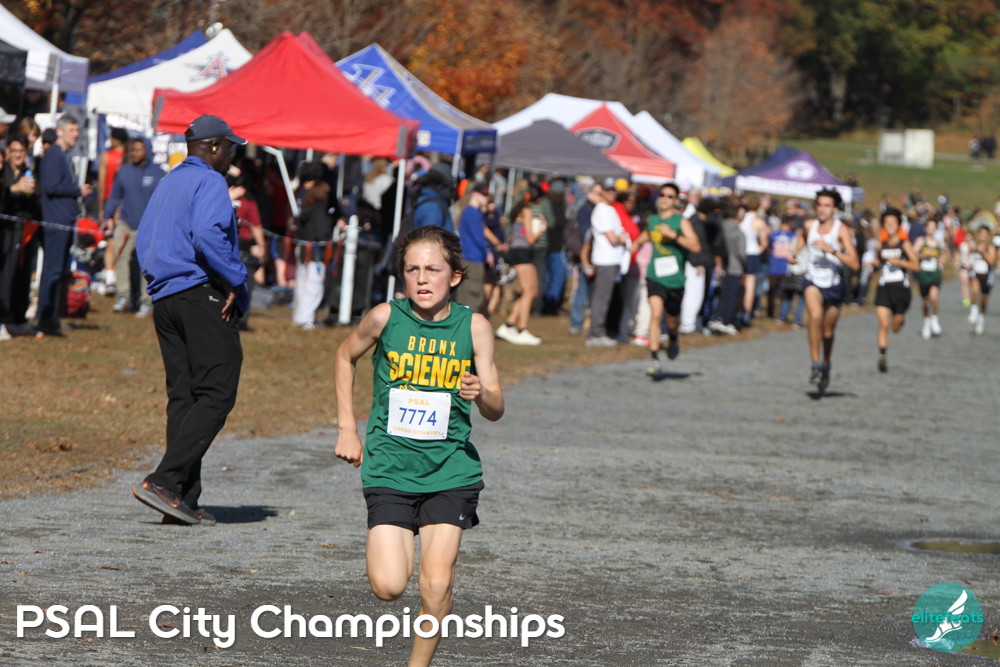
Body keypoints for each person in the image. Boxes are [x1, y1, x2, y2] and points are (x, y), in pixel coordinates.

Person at [334, 225, 504, 667]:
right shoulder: (384, 318)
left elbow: (496, 406)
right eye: (413, 270)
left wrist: (480, 393)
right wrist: (347, 429)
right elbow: (344, 356)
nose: (423, 279)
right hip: (390, 468)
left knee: (435, 584)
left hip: (450, 471)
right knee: (389, 585)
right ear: (402, 276)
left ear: (455, 276)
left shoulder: (475, 327)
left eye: (433, 269)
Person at [131, 115, 249, 525]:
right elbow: (207, 233)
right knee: (217, 390)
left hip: (165, 298)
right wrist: (235, 276)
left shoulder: (169, 181)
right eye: (230, 147)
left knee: (183, 396)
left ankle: (180, 498)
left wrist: (159, 280)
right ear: (214, 146)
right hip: (200, 293)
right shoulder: (210, 181)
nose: (232, 155)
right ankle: (164, 481)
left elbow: (143, 238)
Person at [789, 189, 859, 393]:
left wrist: (832, 250)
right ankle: (815, 364)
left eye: (827, 206)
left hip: (834, 284)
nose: (822, 209)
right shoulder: (809, 225)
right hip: (813, 280)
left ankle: (826, 363)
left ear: (835, 209)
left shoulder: (841, 230)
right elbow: (803, 238)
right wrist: (795, 253)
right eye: (819, 205)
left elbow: (854, 263)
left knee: (827, 332)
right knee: (814, 316)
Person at [36, 114, 93, 336]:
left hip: (64, 220)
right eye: (72, 130)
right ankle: (45, 317)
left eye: (77, 130)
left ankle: (51, 316)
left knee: (58, 270)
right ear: (60, 131)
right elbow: (51, 186)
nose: (76, 135)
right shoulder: (54, 155)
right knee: (52, 271)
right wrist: (77, 190)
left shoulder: (63, 154)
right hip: (55, 221)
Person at [636, 182, 701, 375]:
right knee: (656, 314)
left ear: (676, 200)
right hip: (655, 275)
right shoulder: (653, 219)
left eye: (670, 196)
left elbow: (696, 246)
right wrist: (635, 244)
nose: (665, 199)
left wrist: (674, 236)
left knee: (672, 320)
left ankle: (673, 337)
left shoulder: (681, 221)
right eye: (662, 195)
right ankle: (655, 359)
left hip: (675, 279)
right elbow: (648, 233)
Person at [103, 135, 164, 316]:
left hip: (149, 226)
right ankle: (124, 296)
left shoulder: (158, 173)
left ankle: (147, 301)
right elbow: (115, 196)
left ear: (147, 150)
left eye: (138, 149)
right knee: (120, 257)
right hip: (126, 223)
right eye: (132, 150)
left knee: (148, 265)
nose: (134, 153)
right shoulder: (123, 171)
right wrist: (107, 215)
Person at [1, 135, 41, 339]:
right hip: (6, 229)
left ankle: (18, 318)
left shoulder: (28, 172)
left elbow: (35, 203)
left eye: (21, 151)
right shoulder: (4, 171)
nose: (17, 155)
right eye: (14, 151)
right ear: (9, 151)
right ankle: (4, 319)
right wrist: (13, 189)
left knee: (22, 274)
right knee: (6, 274)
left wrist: (31, 192)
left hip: (24, 229)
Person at [496, 187, 545, 345]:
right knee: (528, 292)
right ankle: (522, 329)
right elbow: (530, 239)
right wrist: (541, 229)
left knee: (531, 292)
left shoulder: (518, 209)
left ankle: (509, 325)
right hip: (522, 252)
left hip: (519, 251)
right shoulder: (527, 211)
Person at [872, 209, 919, 372]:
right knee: (883, 324)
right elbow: (879, 261)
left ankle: (900, 318)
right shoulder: (881, 244)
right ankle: (882, 356)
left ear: (899, 225)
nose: (890, 225)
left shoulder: (904, 244)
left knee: (895, 327)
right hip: (884, 288)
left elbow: (916, 265)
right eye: (887, 223)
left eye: (893, 222)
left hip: (901, 289)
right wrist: (873, 263)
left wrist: (900, 262)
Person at [291, 161, 334, 329]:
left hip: (303, 246)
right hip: (314, 251)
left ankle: (300, 316)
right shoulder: (318, 210)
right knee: (313, 286)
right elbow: (322, 233)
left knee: (302, 284)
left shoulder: (300, 197)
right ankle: (306, 318)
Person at [586, 182, 629, 346]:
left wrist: (621, 237)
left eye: (613, 190)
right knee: (601, 297)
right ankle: (595, 333)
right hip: (605, 259)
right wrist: (622, 238)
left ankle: (601, 330)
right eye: (608, 190)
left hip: (613, 259)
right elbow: (612, 238)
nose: (612, 193)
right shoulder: (601, 210)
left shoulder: (610, 209)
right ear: (602, 192)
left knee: (608, 297)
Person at [453, 182, 493, 314]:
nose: (486, 197)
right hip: (473, 259)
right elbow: (479, 237)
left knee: (468, 298)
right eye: (484, 194)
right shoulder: (473, 212)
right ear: (474, 194)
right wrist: (487, 253)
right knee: (472, 299)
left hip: (469, 258)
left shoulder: (468, 211)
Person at [913, 218, 947, 339]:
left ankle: (934, 319)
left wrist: (942, 261)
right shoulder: (921, 241)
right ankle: (926, 322)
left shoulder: (939, 243)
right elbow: (913, 253)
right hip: (923, 274)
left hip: (935, 273)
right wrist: (922, 255)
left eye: (933, 227)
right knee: (926, 301)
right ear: (925, 228)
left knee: (934, 297)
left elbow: (946, 253)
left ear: (936, 229)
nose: (931, 229)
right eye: (929, 227)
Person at [968, 223, 997, 336]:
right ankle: (973, 310)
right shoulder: (974, 246)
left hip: (987, 275)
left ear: (988, 235)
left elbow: (992, 262)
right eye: (981, 233)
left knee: (984, 300)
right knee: (975, 291)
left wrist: (983, 252)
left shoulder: (990, 247)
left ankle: (981, 319)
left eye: (985, 234)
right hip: (976, 273)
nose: (982, 236)